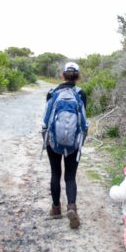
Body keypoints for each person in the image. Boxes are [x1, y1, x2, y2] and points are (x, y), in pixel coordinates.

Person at [42, 61, 87, 229]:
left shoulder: (52, 92)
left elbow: (46, 118)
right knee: (70, 177)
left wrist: (45, 139)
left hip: (53, 140)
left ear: (62, 74)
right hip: (74, 142)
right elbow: (83, 122)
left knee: (55, 173)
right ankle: (72, 207)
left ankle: (55, 209)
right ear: (77, 76)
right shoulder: (81, 94)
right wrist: (81, 142)